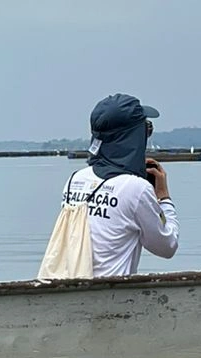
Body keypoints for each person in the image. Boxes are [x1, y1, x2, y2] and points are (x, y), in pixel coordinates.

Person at [58, 94, 179, 278]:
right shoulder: (136, 189)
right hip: (112, 292)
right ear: (134, 137)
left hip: (71, 286)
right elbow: (167, 246)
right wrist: (164, 197)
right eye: (146, 129)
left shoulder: (74, 180)